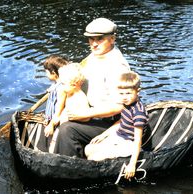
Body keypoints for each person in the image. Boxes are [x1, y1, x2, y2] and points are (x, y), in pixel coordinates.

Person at [53, 17, 131, 157]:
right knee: (57, 118)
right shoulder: (94, 56)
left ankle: (69, 168)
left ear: (112, 39)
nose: (94, 44)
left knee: (67, 130)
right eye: (91, 39)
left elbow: (120, 106)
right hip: (89, 113)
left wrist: (85, 114)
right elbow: (79, 70)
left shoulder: (117, 67)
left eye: (99, 39)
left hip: (108, 121)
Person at [84, 71, 149, 180]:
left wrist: (132, 165)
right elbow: (121, 122)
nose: (124, 97)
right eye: (121, 94)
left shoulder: (138, 113)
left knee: (94, 158)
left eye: (128, 93)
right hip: (119, 137)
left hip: (129, 143)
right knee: (88, 149)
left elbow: (137, 141)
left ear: (138, 91)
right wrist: (103, 135)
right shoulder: (126, 104)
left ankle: (102, 176)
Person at [47, 63, 90, 152]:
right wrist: (51, 124)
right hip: (61, 124)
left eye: (63, 83)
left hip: (71, 126)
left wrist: (72, 117)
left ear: (74, 85)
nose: (61, 86)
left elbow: (86, 119)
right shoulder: (65, 91)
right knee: (53, 142)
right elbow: (58, 111)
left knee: (60, 140)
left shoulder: (80, 98)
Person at [37, 55, 69, 152]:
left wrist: (51, 124)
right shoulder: (57, 84)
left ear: (54, 73)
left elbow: (59, 110)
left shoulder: (61, 89)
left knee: (52, 143)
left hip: (56, 122)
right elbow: (55, 86)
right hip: (51, 118)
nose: (46, 74)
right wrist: (51, 89)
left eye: (46, 72)